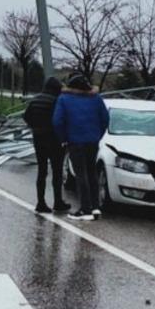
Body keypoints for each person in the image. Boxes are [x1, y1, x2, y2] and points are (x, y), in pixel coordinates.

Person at [52, 74, 109, 222]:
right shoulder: (96, 99)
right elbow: (105, 119)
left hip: (75, 141)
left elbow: (57, 121)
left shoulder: (64, 99)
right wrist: (97, 135)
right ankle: (96, 207)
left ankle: (85, 209)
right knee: (92, 172)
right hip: (92, 141)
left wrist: (63, 139)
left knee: (80, 174)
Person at [22, 77, 71, 213]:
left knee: (42, 171)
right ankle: (57, 201)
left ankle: (41, 202)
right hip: (54, 139)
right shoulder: (56, 101)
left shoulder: (35, 99)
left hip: (38, 138)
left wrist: (35, 127)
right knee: (57, 172)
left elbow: (26, 116)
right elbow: (60, 119)